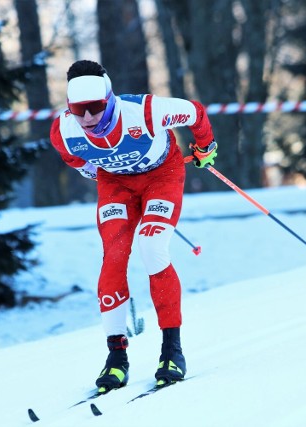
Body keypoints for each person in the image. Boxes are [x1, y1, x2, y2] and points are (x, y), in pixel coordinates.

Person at [50, 59, 217, 392]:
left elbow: (196, 113)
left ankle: (172, 351)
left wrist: (204, 147)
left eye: (95, 107)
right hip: (116, 186)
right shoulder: (63, 131)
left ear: (109, 98)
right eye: (78, 110)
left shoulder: (147, 111)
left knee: (151, 246)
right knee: (113, 257)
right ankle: (116, 358)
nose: (88, 118)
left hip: (163, 176)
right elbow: (72, 157)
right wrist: (97, 171)